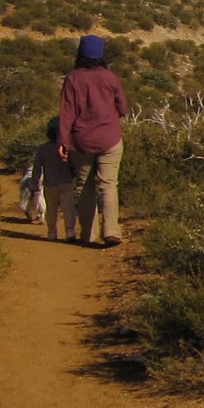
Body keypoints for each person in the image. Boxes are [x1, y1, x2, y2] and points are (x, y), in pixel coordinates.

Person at [58, 33, 128, 247]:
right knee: (108, 185)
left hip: (81, 140)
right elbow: (122, 108)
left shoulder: (73, 78)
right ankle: (111, 232)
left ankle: (88, 234)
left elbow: (66, 112)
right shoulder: (110, 78)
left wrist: (63, 141)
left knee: (84, 186)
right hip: (110, 138)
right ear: (100, 55)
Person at [30, 115, 78, 242]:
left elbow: (37, 167)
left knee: (51, 210)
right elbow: (75, 165)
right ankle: (70, 231)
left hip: (50, 184)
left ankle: (52, 232)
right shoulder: (68, 148)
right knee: (68, 208)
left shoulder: (42, 149)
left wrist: (35, 182)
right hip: (66, 182)